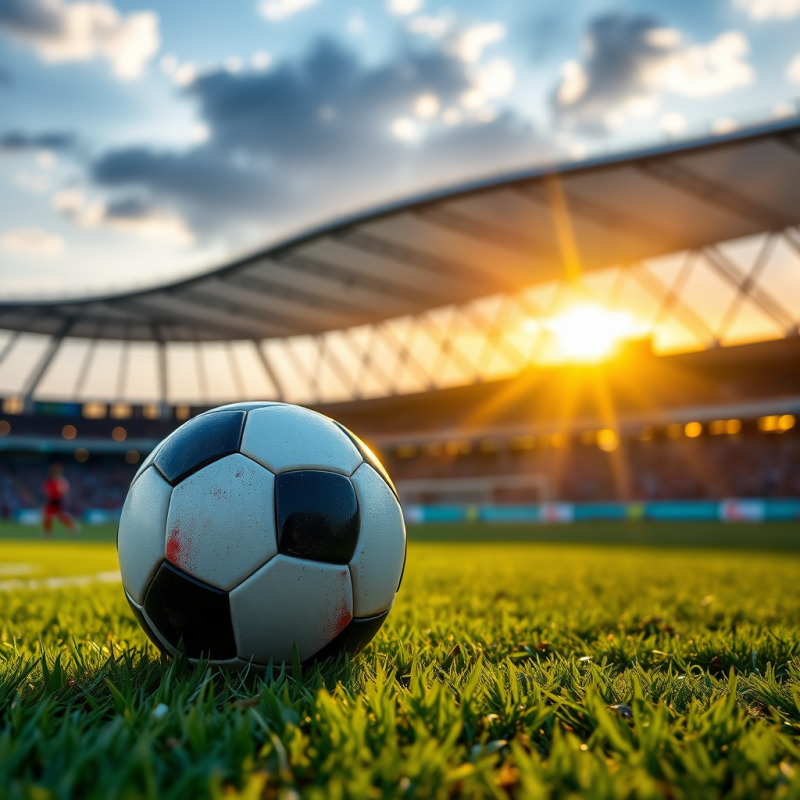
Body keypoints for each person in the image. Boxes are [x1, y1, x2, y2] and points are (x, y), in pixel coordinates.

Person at [42, 463, 77, 537]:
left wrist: (63, 496)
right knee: (48, 516)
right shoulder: (50, 482)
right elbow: (47, 491)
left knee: (63, 516)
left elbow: (64, 491)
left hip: (59, 501)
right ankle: (48, 532)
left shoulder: (61, 481)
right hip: (51, 501)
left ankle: (72, 527)